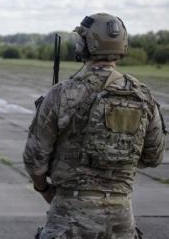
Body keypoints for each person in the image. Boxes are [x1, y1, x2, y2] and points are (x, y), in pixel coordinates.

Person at [23, 13, 166, 239]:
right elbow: (154, 156)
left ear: (86, 45)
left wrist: (44, 189)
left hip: (68, 216)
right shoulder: (143, 96)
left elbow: (34, 158)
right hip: (121, 220)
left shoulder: (62, 93)